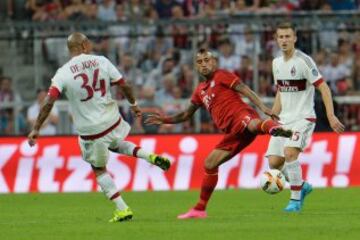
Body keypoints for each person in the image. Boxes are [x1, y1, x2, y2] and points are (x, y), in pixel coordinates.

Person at [27, 32, 171, 223]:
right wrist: (134, 104)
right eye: (89, 43)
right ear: (84, 45)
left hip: (91, 130)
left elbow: (49, 101)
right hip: (112, 119)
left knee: (99, 169)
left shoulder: (63, 72)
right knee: (116, 143)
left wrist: (36, 128)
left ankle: (123, 209)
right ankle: (149, 156)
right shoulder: (102, 61)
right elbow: (123, 84)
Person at [145, 48, 293, 219]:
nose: (204, 64)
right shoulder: (200, 90)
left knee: (252, 124)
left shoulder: (222, 75)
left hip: (241, 116)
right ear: (196, 66)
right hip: (231, 133)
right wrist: (165, 120)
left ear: (214, 62)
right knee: (209, 164)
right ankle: (200, 209)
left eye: (207, 60)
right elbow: (186, 115)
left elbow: (245, 90)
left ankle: (273, 129)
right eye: (200, 62)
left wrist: (264, 108)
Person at [266, 22, 345, 212]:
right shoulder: (276, 63)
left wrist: (331, 115)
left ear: (295, 38)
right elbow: (281, 91)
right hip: (284, 118)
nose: (284, 40)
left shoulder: (304, 61)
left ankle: (295, 200)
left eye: (287, 36)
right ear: (276, 40)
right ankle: (302, 184)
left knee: (290, 153)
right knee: (274, 163)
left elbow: (324, 87)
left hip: (303, 117)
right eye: (281, 37)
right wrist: (273, 115)